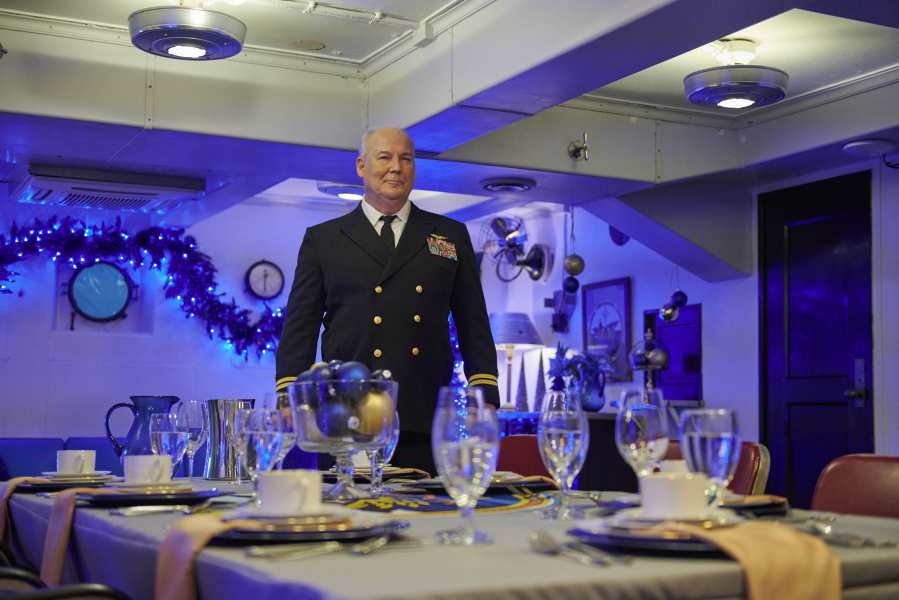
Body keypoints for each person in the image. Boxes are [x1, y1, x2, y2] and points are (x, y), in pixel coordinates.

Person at [275, 125, 500, 475]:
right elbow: (299, 326)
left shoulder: (448, 235)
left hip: (421, 411)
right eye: (384, 157)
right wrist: (290, 393)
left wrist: (483, 395)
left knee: (424, 507)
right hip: (345, 412)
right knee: (347, 507)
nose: (396, 167)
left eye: (405, 159)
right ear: (361, 166)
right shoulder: (324, 240)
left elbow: (474, 323)